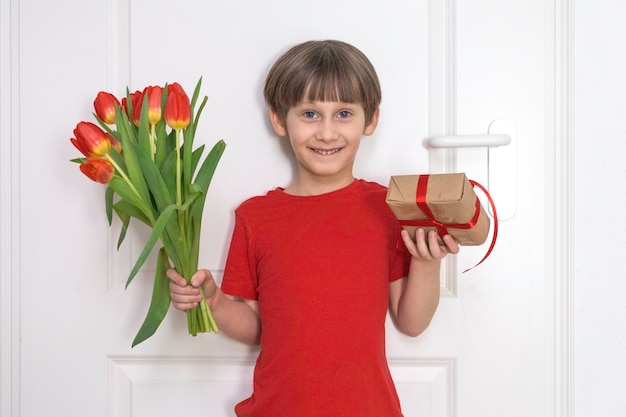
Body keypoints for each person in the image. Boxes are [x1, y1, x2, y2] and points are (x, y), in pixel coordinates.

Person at [167, 39, 459, 417]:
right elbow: (256, 329)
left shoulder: (389, 208)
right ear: (278, 119)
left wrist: (427, 262)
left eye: (343, 114)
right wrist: (214, 301)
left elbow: (412, 322)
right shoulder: (255, 217)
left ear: (370, 120)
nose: (326, 132)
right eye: (309, 114)